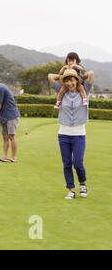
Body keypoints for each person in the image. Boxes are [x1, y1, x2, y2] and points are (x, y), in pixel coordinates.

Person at [48, 67, 94, 199]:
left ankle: (83, 183)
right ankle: (71, 190)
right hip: (63, 134)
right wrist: (64, 72)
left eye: (72, 80)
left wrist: (77, 71)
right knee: (67, 163)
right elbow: (50, 76)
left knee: (78, 163)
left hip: (79, 134)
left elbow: (90, 74)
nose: (69, 83)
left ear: (77, 81)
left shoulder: (85, 91)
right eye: (66, 81)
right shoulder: (62, 92)